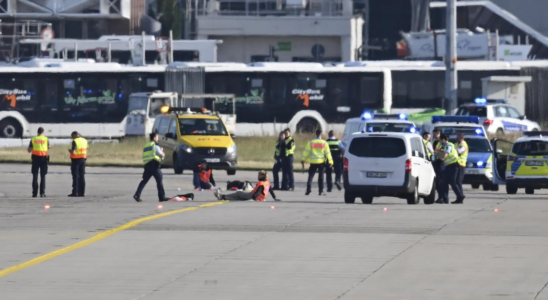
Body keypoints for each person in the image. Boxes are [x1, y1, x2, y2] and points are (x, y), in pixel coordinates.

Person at [134, 133, 169, 202]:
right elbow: (162, 155)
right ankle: (162, 197)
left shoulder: (147, 145)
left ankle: (137, 194)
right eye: (157, 137)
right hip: (154, 165)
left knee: (144, 181)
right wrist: (162, 151)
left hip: (147, 165)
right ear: (154, 138)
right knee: (159, 181)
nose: (158, 139)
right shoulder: (155, 146)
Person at [435, 134, 465, 204]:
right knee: (444, 182)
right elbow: (441, 154)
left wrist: (438, 155)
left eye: (440, 139)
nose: (439, 141)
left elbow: (445, 155)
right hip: (448, 166)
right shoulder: (443, 146)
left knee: (453, 182)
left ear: (443, 139)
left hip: (454, 165)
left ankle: (460, 196)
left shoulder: (449, 145)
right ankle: (445, 199)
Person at [302, 129, 333, 196]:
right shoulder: (324, 143)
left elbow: (306, 152)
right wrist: (331, 162)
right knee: (321, 177)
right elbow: (328, 153)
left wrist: (303, 159)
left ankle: (308, 189)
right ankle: (320, 191)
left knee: (310, 176)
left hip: (313, 162)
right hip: (321, 162)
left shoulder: (311, 142)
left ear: (315, 134)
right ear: (321, 134)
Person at [214, 171, 280, 201]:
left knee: (238, 193)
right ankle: (222, 197)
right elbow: (271, 191)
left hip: (251, 195)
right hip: (259, 198)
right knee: (237, 198)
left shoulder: (261, 183)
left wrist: (253, 198)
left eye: (259, 175)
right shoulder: (267, 182)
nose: (258, 176)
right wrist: (275, 198)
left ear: (263, 176)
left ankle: (222, 196)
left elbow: (258, 192)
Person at [27, 127, 50, 198]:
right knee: (43, 176)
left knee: (35, 176)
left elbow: (29, 150)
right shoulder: (46, 139)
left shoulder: (33, 139)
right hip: (43, 159)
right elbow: (49, 147)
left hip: (35, 159)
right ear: (43, 132)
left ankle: (34, 193)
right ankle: (42, 193)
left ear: (37, 132)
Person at [68, 131, 88, 197]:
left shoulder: (75, 141)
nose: (72, 138)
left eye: (72, 136)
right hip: (83, 160)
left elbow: (73, 152)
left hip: (76, 160)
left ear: (74, 135)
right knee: (82, 176)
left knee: (75, 176)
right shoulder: (85, 140)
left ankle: (75, 192)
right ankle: (82, 192)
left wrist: (70, 151)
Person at [431, 129, 445, 203]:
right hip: (437, 162)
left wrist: (433, 158)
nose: (433, 135)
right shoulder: (436, 141)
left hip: (440, 163)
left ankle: (441, 197)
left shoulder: (439, 142)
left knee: (439, 181)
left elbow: (439, 153)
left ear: (438, 133)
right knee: (438, 181)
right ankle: (443, 197)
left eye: (434, 133)